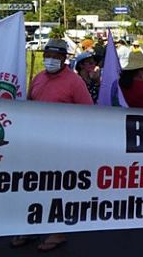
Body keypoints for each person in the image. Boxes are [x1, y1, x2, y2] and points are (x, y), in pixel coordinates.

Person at [16, 39, 93, 251]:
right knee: (33, 185)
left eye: (55, 57)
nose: (50, 60)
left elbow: (89, 112)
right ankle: (31, 227)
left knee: (58, 187)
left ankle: (58, 232)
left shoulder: (74, 82)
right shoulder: (39, 78)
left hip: (63, 144)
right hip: (36, 141)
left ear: (64, 58)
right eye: (47, 56)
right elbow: (30, 104)